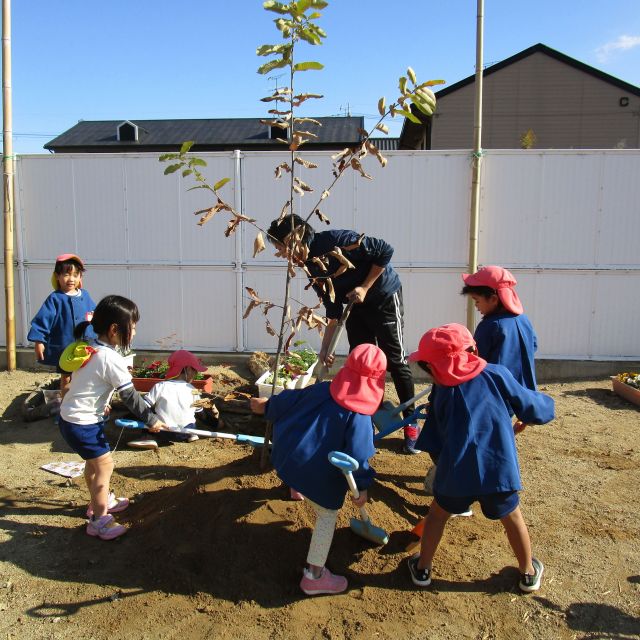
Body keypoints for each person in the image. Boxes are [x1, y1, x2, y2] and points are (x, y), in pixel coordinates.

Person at [406, 323, 554, 593]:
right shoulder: (497, 374)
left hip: (456, 471)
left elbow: (435, 439)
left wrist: (443, 464)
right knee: (512, 518)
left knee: (438, 515)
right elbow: (532, 406)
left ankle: (422, 568)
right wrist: (538, 412)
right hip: (498, 470)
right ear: (472, 350)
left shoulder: (442, 390)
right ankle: (528, 572)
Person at [267, 214, 419, 453]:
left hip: (383, 296)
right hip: (354, 305)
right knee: (359, 361)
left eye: (281, 248)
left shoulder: (338, 241)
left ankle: (411, 424)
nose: (283, 255)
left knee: (395, 360)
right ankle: (366, 420)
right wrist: (325, 349)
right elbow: (333, 309)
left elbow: (384, 251)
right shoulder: (310, 266)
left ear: (294, 238)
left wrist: (365, 286)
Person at [250, 343, 386, 596]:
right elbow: (358, 457)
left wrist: (266, 406)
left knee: (305, 456)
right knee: (326, 516)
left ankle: (295, 489)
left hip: (286, 458)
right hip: (314, 477)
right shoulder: (359, 416)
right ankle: (314, 576)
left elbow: (290, 400)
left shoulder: (322, 389)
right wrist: (363, 487)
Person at [58, 295, 167, 541]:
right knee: (105, 465)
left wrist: (103, 404)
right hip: (83, 423)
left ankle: (99, 501)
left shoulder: (90, 346)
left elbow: (89, 384)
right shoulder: (110, 358)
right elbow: (130, 396)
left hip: (71, 418)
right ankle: (99, 521)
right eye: (134, 327)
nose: (136, 332)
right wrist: (152, 419)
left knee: (93, 463)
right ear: (115, 329)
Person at [27, 253, 96, 397]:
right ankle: (65, 407)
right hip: (65, 346)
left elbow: (95, 315)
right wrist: (39, 340)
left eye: (75, 275)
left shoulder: (85, 295)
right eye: (66, 274)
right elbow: (43, 319)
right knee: (66, 376)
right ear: (57, 276)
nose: (71, 279)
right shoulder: (55, 298)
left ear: (80, 278)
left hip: (84, 346)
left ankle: (83, 403)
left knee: (86, 374)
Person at [461, 265, 538, 392]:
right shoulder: (524, 320)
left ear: (493, 299)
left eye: (477, 300)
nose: (476, 306)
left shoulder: (490, 325)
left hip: (498, 395)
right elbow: (533, 346)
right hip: (525, 393)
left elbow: (477, 361)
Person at [142, 350, 208, 446]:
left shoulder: (160, 386)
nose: (196, 374)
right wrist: (215, 422)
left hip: (164, 431)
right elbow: (200, 414)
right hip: (186, 431)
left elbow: (143, 407)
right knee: (191, 415)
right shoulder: (194, 390)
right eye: (195, 370)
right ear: (188, 369)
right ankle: (192, 435)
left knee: (147, 413)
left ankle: (147, 437)